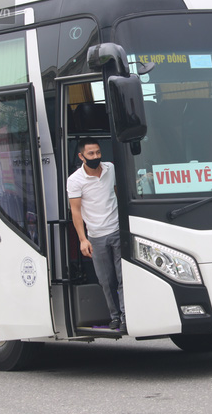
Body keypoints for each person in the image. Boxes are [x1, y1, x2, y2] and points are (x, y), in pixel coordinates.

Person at [67, 137, 126, 333]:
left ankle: (125, 316)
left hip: (117, 230)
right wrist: (83, 240)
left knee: (123, 276)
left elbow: (118, 193)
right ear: (81, 156)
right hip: (96, 236)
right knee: (105, 279)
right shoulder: (75, 180)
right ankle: (114, 316)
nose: (96, 157)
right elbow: (75, 211)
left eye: (98, 152)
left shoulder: (110, 169)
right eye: (91, 154)